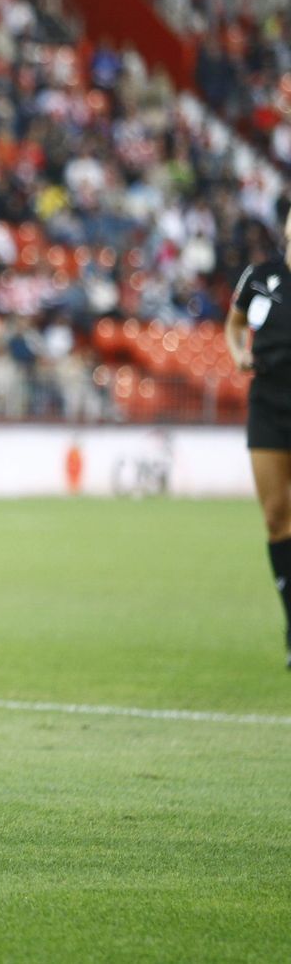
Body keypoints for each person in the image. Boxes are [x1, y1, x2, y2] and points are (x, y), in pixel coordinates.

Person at [224, 202, 291, 669]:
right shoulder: (259, 277)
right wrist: (237, 354)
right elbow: (233, 324)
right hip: (268, 403)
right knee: (275, 518)